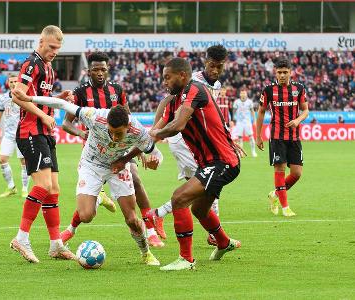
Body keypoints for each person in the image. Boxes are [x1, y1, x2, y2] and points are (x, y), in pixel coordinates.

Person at [114, 57, 243, 271]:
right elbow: (152, 136)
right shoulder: (174, 102)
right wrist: (125, 158)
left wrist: (156, 132)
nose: (164, 82)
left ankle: (186, 259)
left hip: (222, 161)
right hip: (209, 163)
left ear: (182, 75)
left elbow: (177, 125)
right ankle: (223, 241)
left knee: (179, 198)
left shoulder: (195, 89)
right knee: (200, 209)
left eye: (167, 77)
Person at [13, 88, 163, 266]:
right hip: (91, 165)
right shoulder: (95, 116)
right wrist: (29, 97)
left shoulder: (138, 131)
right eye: (111, 131)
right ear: (106, 122)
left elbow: (158, 156)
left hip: (118, 167)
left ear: (128, 128)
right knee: (85, 215)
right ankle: (98, 197)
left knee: (131, 219)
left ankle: (145, 252)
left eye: (119, 134)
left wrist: (155, 162)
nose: (114, 137)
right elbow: (62, 104)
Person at [60, 52, 165, 247]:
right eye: (96, 70)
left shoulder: (117, 90)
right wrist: (82, 134)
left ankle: (150, 230)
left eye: (103, 69)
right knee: (87, 206)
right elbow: (66, 123)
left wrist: (140, 150)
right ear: (88, 71)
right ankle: (74, 225)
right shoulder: (80, 93)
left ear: (108, 70)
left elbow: (130, 120)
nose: (100, 73)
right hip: (95, 151)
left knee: (135, 178)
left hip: (121, 148)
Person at [147, 45, 230, 247]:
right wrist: (155, 131)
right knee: (208, 184)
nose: (215, 70)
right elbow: (166, 102)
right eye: (212, 65)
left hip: (193, 141)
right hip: (182, 139)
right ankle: (159, 214)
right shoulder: (194, 81)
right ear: (205, 62)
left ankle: (158, 214)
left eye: (219, 66)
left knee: (197, 189)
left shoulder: (216, 84)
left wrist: (227, 138)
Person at [9, 25, 75, 263]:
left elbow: (36, 96)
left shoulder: (48, 67)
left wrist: (56, 100)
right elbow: (18, 94)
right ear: (41, 42)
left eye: (58, 49)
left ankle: (56, 244)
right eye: (51, 47)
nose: (54, 52)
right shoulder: (31, 63)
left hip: (44, 132)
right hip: (30, 132)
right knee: (43, 186)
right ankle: (21, 238)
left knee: (54, 189)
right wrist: (44, 116)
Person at [256, 57, 309, 217]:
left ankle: (275, 194)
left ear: (291, 72)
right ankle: (285, 207)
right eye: (279, 72)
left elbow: (305, 110)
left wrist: (297, 120)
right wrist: (258, 136)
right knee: (279, 169)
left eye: (285, 72)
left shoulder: (298, 89)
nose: (283, 75)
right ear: (275, 73)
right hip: (276, 136)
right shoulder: (268, 90)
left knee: (297, 173)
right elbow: (260, 112)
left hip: (294, 137)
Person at [0, 75, 30, 198]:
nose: (13, 83)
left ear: (19, 82)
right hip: (8, 134)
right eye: (11, 81)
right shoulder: (3, 98)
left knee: (24, 162)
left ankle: (24, 189)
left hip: (22, 134)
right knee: (2, 160)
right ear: (8, 83)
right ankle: (11, 187)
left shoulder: (25, 97)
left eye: (15, 81)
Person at [233, 89, 257, 157]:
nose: (243, 95)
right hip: (239, 122)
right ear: (240, 94)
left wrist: (254, 120)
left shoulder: (249, 102)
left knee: (251, 136)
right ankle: (240, 152)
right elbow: (234, 111)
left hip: (247, 122)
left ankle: (253, 151)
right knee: (240, 137)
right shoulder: (236, 102)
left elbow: (252, 111)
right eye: (242, 93)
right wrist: (233, 119)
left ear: (246, 94)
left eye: (244, 93)